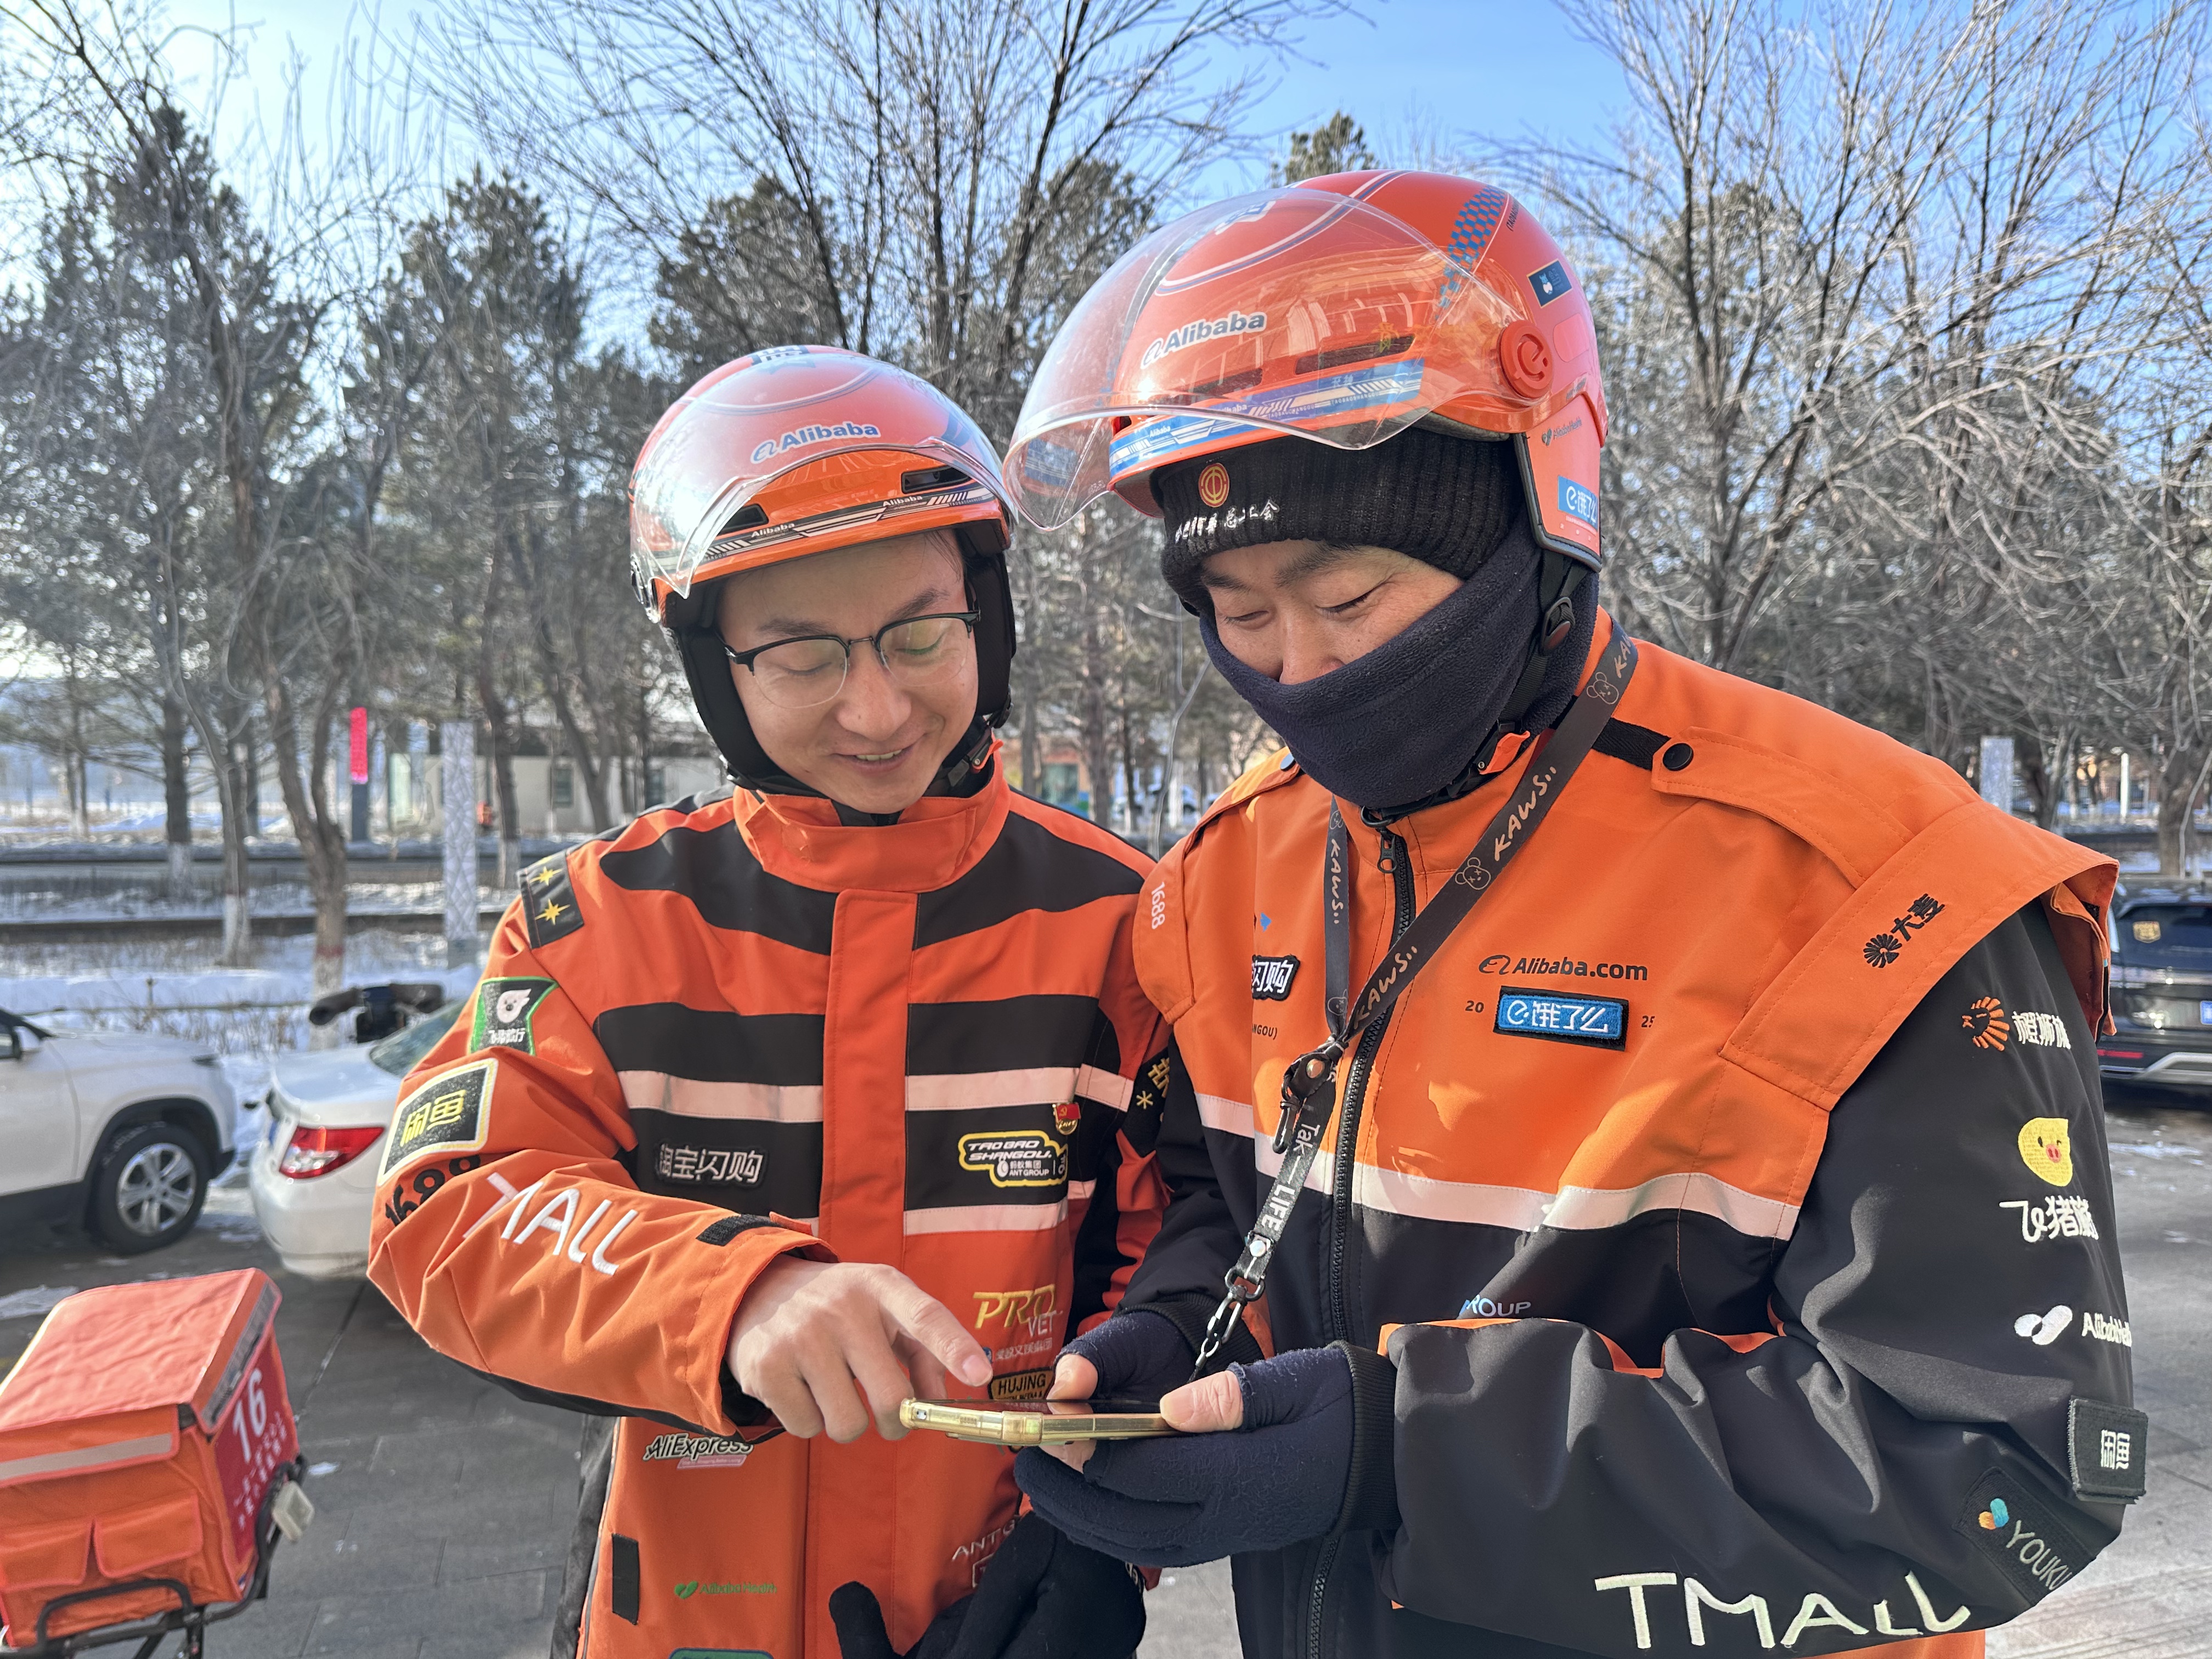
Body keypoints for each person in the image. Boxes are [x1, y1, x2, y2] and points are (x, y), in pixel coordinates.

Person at [997, 172, 2141, 1658]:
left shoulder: (1873, 878)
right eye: (1239, 609)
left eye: (1349, 599)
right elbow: (1234, 1200)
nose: (1299, 671)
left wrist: (1404, 1453)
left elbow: (2004, 1469)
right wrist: (1171, 1333)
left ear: (1530, 526)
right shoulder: (1230, 873)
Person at [367, 346, 1165, 1659]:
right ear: (716, 672)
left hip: (1001, 1607)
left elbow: (1191, 1258)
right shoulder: (603, 923)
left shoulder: (1121, 922)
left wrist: (1100, 1545)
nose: (877, 706)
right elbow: (445, 1203)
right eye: (801, 656)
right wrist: (729, 1298)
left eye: (920, 635)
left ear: (988, 617)